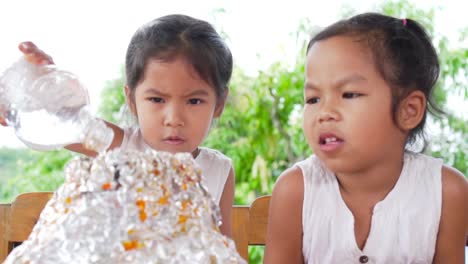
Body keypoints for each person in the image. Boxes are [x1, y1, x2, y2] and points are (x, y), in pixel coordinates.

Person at [3, 14, 235, 237]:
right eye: (157, 100)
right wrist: (38, 85)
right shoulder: (120, 147)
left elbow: (225, 249)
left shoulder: (219, 170)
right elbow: (68, 121)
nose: (174, 118)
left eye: (194, 101)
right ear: (132, 100)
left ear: (219, 104)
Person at [264, 12, 468, 263]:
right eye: (313, 99)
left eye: (349, 94)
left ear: (409, 110)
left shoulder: (447, 192)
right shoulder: (295, 191)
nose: (324, 113)